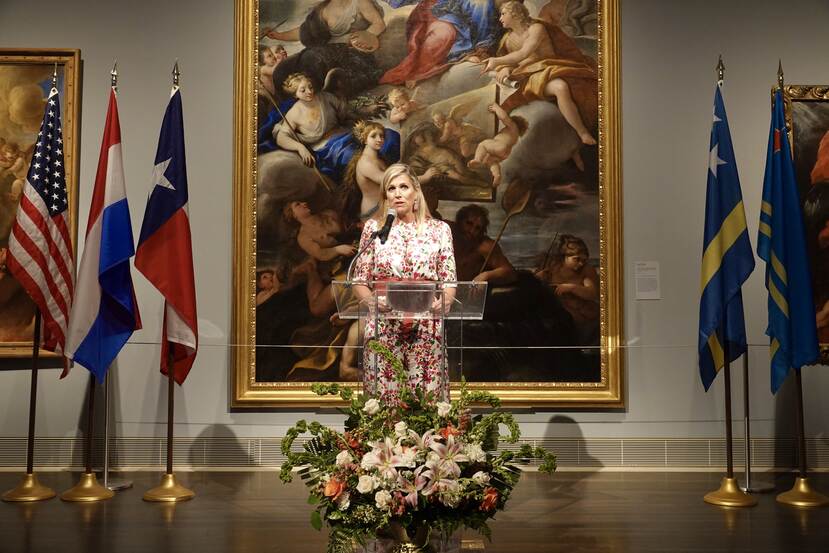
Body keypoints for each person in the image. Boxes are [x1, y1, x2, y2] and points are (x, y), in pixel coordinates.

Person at [352, 163, 457, 402]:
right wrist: (371, 302)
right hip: (384, 327)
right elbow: (359, 279)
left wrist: (446, 301)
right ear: (385, 196)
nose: (397, 193)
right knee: (386, 403)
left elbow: (449, 279)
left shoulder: (439, 230)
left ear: (416, 192)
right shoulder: (374, 229)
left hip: (427, 326)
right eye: (391, 188)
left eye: (403, 187)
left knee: (426, 402)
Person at [482, 1, 597, 146]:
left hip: (548, 68)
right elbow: (513, 61)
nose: (500, 18)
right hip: (528, 76)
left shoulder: (536, 28)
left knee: (560, 87)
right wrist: (506, 67)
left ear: (515, 14)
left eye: (503, 14)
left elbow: (523, 53)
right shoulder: (508, 39)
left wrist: (496, 61)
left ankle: (582, 133)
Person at [267, 0, 386, 97]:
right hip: (325, 51)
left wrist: (363, 37)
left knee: (311, 58)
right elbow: (304, 31)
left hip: (351, 53)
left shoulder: (359, 2)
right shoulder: (322, 8)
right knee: (283, 68)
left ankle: (317, 101)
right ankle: (289, 107)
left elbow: (379, 23)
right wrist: (278, 35)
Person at [379, 0, 502, 87]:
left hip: (464, 7)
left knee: (482, 3)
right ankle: (418, 71)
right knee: (444, 34)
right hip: (435, 12)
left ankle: (481, 50)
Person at [535, 234, 598, 343]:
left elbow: (592, 293)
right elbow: (534, 288)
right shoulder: (552, 267)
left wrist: (571, 288)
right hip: (557, 312)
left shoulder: (587, 270)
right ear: (564, 257)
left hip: (580, 314)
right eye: (576, 259)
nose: (581, 263)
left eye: (584, 259)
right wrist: (538, 278)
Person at [452, 204, 517, 285]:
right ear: (460, 221)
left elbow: (510, 273)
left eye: (477, 228)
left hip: (470, 294)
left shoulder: (485, 246)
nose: (471, 231)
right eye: (469, 223)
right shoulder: (447, 234)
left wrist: (486, 276)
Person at [467, 103, 528, 186]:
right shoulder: (516, 135)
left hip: (500, 146)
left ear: (515, 121)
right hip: (505, 153)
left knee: (483, 145)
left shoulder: (512, 126)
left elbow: (504, 117)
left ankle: (477, 159)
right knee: (491, 161)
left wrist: (497, 108)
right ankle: (497, 175)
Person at [341, 121, 389, 224]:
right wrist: (422, 178)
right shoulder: (366, 163)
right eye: (373, 136)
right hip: (374, 212)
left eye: (381, 136)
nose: (379, 139)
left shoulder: (379, 159)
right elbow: (389, 181)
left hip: (384, 206)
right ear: (365, 140)